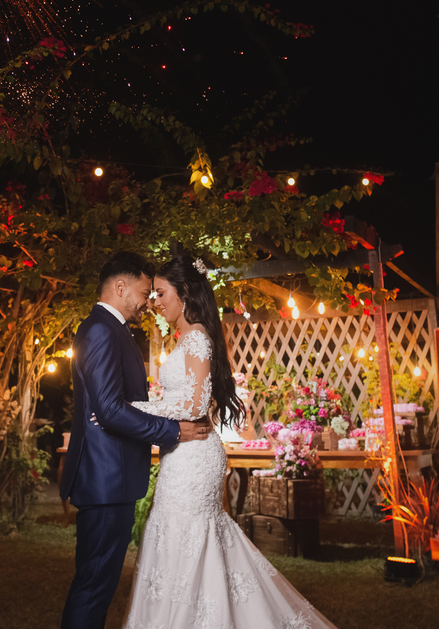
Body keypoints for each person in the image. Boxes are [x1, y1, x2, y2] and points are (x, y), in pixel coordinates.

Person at [117, 254, 339, 629]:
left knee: (188, 536)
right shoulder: (187, 336)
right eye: (152, 294)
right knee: (178, 535)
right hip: (183, 453)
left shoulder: (198, 337)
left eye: (160, 292)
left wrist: (134, 406)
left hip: (194, 457)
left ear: (184, 292)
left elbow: (197, 403)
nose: (155, 301)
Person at [60, 252, 213, 629]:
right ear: (120, 287)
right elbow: (110, 410)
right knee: (94, 584)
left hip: (115, 479)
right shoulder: (99, 329)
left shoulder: (114, 330)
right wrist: (173, 431)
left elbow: (118, 404)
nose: (148, 301)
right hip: (104, 480)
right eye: (145, 292)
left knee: (100, 584)